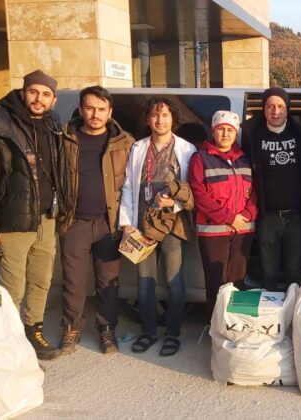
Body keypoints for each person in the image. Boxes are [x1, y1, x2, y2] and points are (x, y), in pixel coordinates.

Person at [0, 69, 63, 360]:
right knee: (12, 285)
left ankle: (33, 331)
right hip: (13, 220)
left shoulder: (52, 124)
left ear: (53, 100)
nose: (38, 98)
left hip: (46, 218)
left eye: (45, 94)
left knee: (41, 279)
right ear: (23, 92)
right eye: (34, 92)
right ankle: (6, 338)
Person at [58, 86, 135, 355]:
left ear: (110, 112)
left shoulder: (124, 142)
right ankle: (71, 329)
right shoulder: (65, 139)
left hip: (108, 224)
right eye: (90, 108)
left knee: (108, 283)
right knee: (73, 281)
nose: (95, 114)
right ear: (81, 109)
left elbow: (133, 184)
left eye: (101, 109)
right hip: (74, 221)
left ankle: (106, 330)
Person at [119, 97, 196, 356]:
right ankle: (148, 332)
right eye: (154, 114)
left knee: (175, 282)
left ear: (173, 118)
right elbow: (128, 185)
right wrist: (127, 223)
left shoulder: (187, 150)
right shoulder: (138, 148)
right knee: (145, 282)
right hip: (142, 225)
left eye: (164, 115)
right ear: (148, 119)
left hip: (173, 225)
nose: (160, 120)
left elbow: (191, 192)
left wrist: (173, 203)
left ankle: (173, 334)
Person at [188, 110, 257, 323]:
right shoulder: (201, 158)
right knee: (216, 282)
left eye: (230, 130)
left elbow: (255, 192)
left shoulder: (245, 158)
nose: (225, 134)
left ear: (236, 133)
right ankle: (216, 330)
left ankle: (234, 327)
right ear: (213, 132)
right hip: (213, 231)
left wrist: (246, 215)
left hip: (242, 229)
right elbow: (199, 194)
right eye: (221, 130)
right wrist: (229, 218)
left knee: (237, 281)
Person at [240, 87, 301, 291]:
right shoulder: (252, 136)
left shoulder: (300, 134)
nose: (275, 111)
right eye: (270, 106)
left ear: (287, 109)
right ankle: (271, 316)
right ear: (263, 109)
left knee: (294, 272)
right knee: (268, 272)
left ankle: (292, 316)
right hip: (267, 216)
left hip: (295, 216)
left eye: (280, 106)